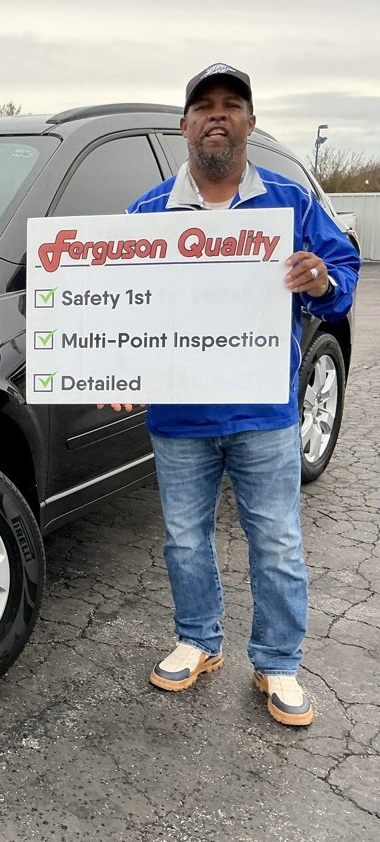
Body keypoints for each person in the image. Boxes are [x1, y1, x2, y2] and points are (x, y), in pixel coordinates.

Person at [121, 63, 360, 726]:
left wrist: (321, 281)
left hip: (264, 411)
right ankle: (199, 640)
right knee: (184, 539)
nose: (217, 116)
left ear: (250, 122)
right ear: (185, 125)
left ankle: (278, 663)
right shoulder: (146, 213)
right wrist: (116, 371)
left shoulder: (291, 203)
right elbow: (122, 306)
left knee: (276, 541)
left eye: (231, 105)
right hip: (179, 416)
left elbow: (342, 275)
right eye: (204, 107)